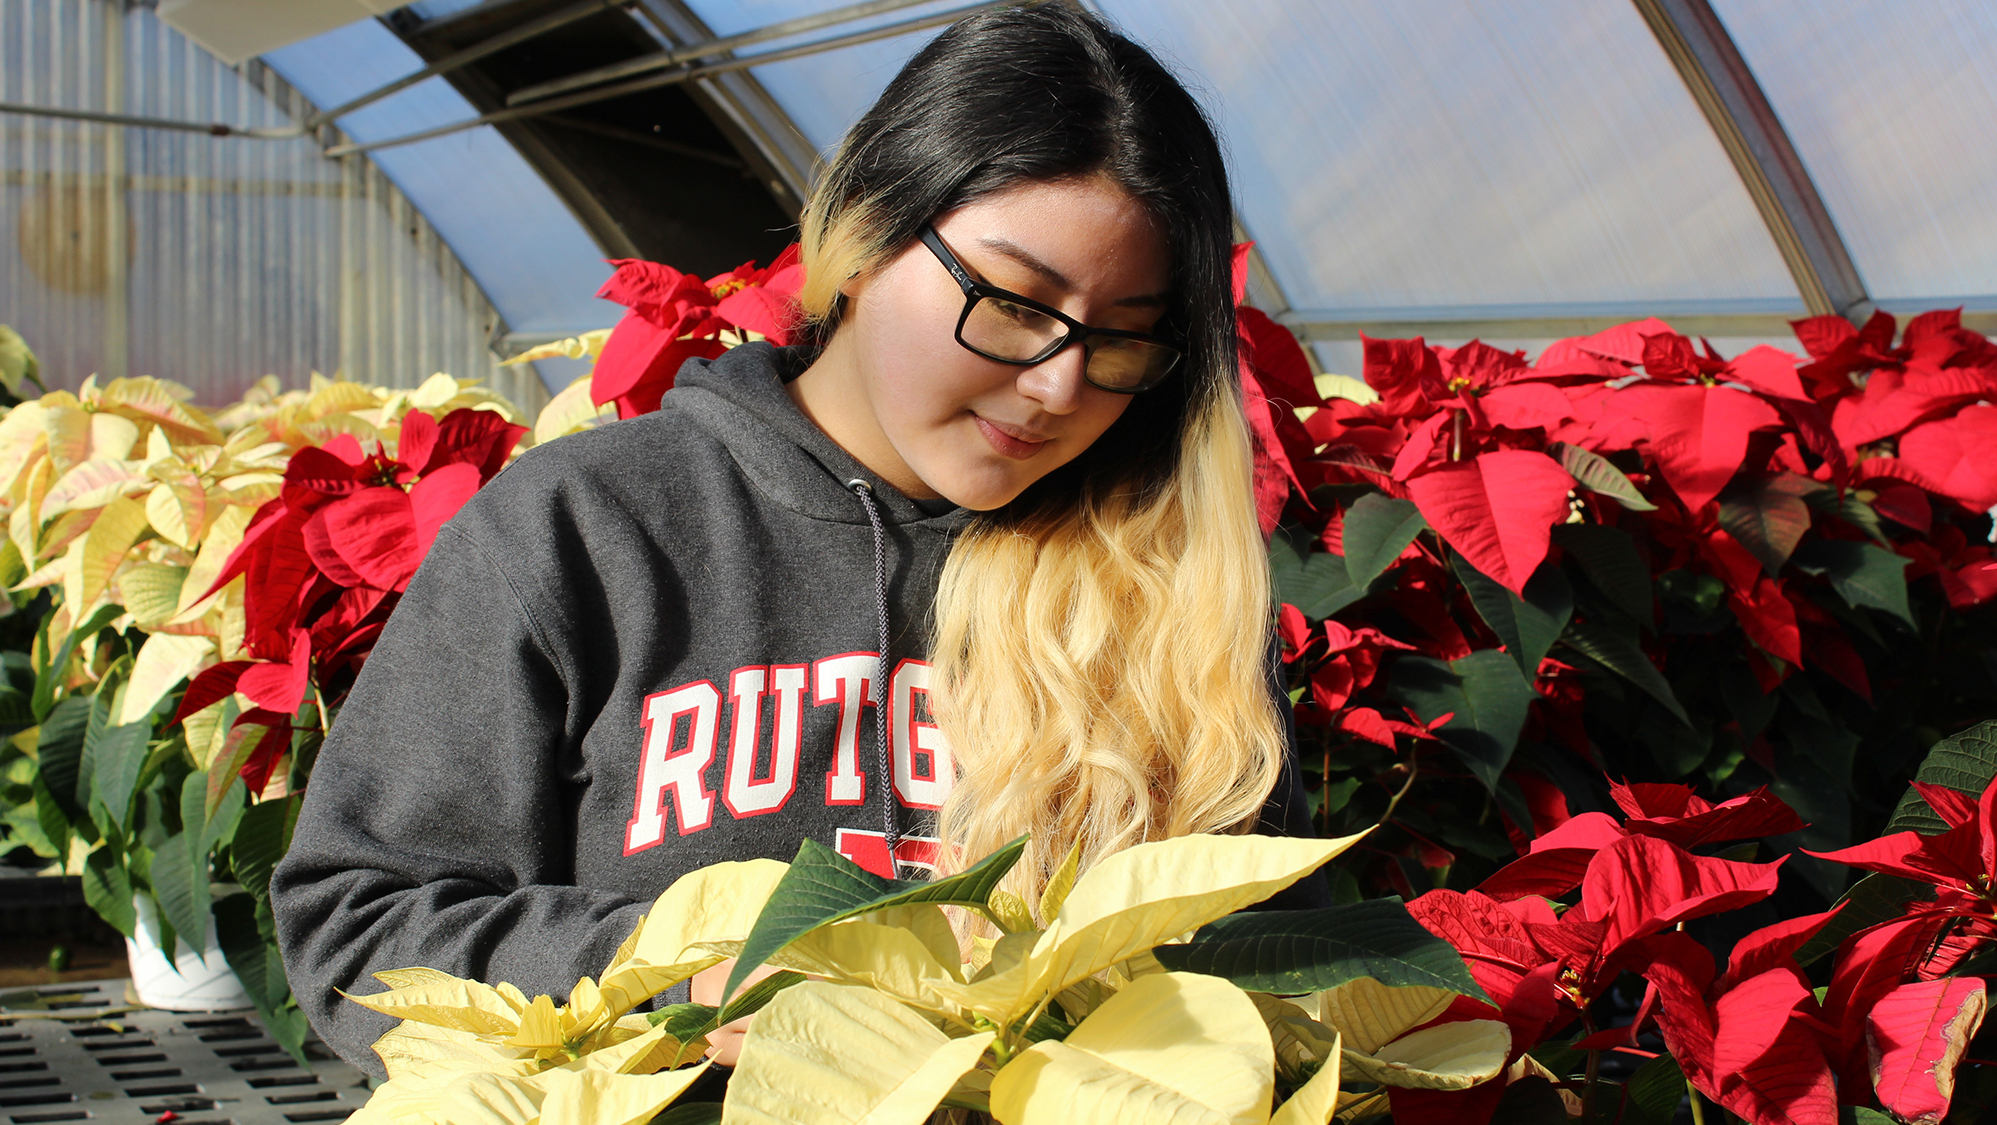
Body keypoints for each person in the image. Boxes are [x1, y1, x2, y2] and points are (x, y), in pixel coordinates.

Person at [270, 4, 1327, 1077]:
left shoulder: (1160, 588)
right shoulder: (587, 529)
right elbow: (358, 925)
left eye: (1120, 340)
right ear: (866, 236)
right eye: (1011, 304)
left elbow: (1274, 956)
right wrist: (675, 981)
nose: (1056, 385)